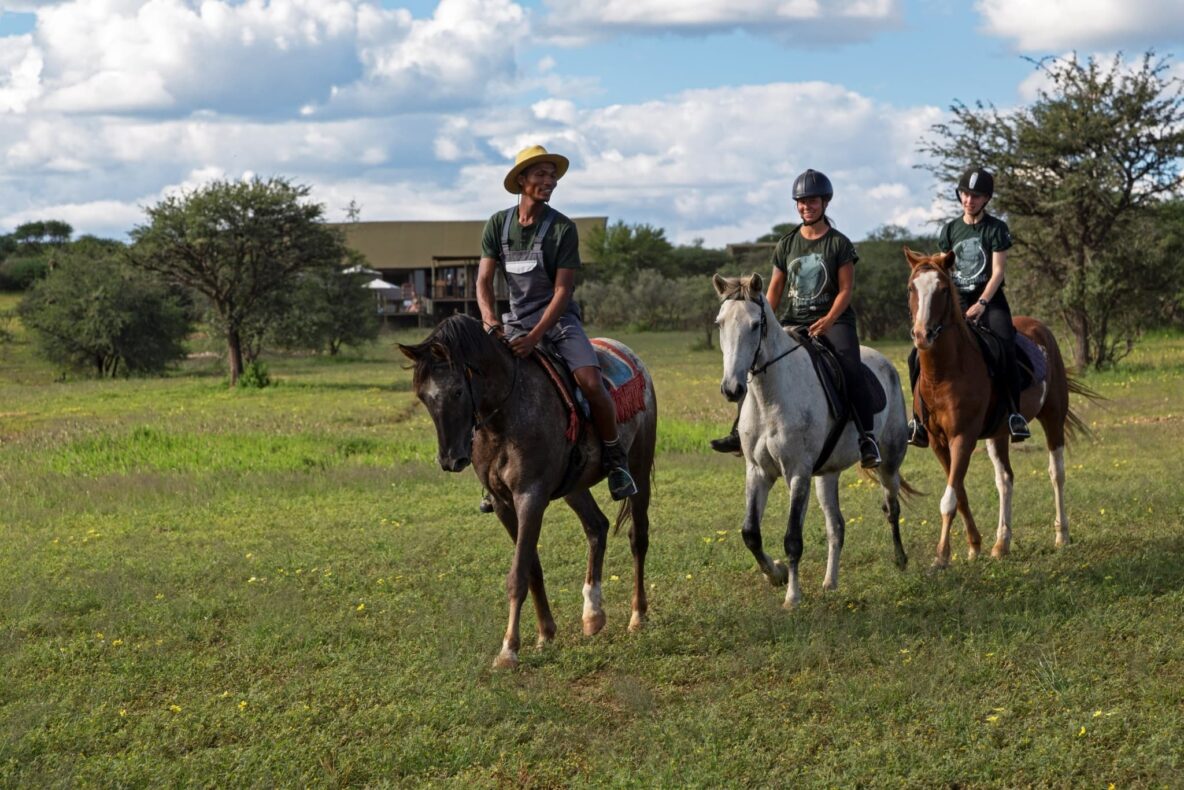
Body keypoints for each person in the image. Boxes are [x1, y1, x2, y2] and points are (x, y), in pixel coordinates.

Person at [475, 144, 638, 507]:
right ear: (521, 180)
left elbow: (563, 290)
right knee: (479, 384)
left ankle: (614, 459)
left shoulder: (563, 228)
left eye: (553, 176)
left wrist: (535, 337)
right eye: (540, 175)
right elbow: (483, 282)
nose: (549, 181)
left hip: (558, 323)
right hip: (513, 324)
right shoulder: (496, 225)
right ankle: (488, 471)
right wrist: (489, 322)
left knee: (591, 382)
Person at [710, 169, 881, 469]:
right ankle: (740, 431)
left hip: (834, 322)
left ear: (825, 202)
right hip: (793, 321)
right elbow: (773, 290)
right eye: (801, 202)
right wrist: (765, 325)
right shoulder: (787, 244)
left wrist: (828, 320)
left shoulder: (839, 244)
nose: (806, 207)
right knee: (753, 363)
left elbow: (845, 290)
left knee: (851, 369)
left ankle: (866, 438)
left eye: (812, 201)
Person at [906, 166, 1030, 447]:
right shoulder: (950, 230)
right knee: (915, 355)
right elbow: (942, 268)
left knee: (1004, 343)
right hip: (956, 303)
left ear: (986, 199)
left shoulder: (996, 228)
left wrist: (983, 303)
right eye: (965, 194)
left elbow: (997, 272)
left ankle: (1014, 414)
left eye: (976, 196)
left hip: (990, 300)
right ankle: (918, 420)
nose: (969, 200)